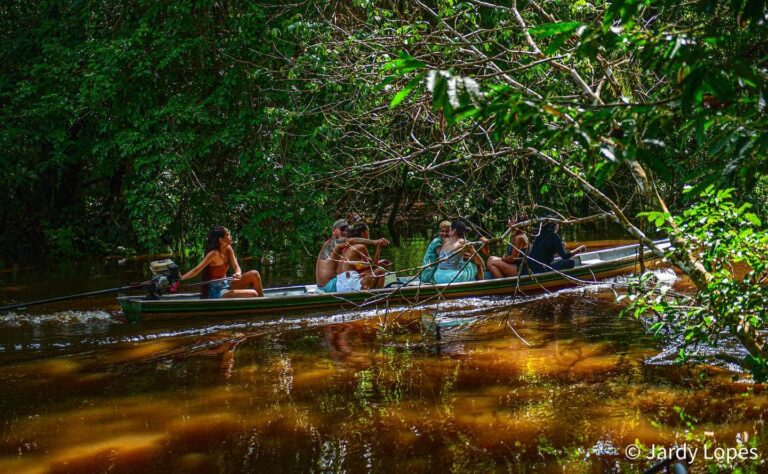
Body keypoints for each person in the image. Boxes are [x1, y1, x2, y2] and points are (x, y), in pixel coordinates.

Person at [180, 226, 264, 298]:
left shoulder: (228, 248)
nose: (230, 236)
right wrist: (181, 278)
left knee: (255, 274)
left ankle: (264, 303)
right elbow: (196, 270)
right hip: (216, 290)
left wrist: (238, 273)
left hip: (227, 284)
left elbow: (236, 266)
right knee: (253, 293)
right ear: (221, 240)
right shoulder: (213, 254)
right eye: (228, 235)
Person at [316, 219, 390, 292]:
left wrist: (378, 262)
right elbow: (351, 240)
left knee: (358, 272)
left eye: (346, 229)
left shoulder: (332, 244)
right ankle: (377, 294)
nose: (344, 232)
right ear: (333, 230)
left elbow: (355, 265)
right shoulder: (336, 241)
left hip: (323, 285)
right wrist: (375, 242)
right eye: (342, 229)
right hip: (330, 285)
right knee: (372, 272)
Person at [336, 222, 391, 292]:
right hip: (350, 285)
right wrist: (378, 247)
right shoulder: (361, 247)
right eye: (368, 231)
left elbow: (365, 267)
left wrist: (379, 262)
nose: (369, 233)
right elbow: (373, 265)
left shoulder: (348, 247)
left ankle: (373, 293)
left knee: (367, 272)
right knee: (381, 271)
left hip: (340, 287)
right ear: (362, 233)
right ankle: (379, 296)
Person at [433, 219, 485, 284]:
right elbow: (481, 262)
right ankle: (481, 286)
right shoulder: (463, 242)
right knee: (477, 265)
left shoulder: (445, 240)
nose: (448, 232)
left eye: (450, 229)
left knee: (462, 263)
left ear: (454, 231)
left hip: (438, 276)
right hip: (451, 278)